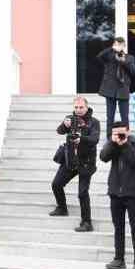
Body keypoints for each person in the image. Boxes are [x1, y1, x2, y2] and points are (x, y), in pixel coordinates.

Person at [99, 119, 135, 269]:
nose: (118, 135)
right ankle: (119, 259)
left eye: (121, 132)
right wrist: (113, 144)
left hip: (132, 193)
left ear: (128, 131)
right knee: (118, 227)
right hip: (115, 192)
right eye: (115, 133)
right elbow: (103, 157)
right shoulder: (112, 143)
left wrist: (125, 144)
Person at [50, 96, 99, 230]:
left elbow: (94, 139)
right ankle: (62, 208)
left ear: (87, 107)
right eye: (76, 107)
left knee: (82, 193)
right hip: (71, 160)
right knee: (56, 184)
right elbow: (59, 131)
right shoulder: (70, 119)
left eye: (81, 107)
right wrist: (64, 125)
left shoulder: (94, 122)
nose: (78, 110)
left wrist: (81, 139)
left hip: (86, 162)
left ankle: (87, 222)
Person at [94, 37, 135, 131]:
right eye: (117, 44)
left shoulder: (129, 58)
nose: (119, 46)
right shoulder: (109, 56)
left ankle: (126, 137)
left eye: (121, 45)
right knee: (110, 116)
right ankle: (109, 137)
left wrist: (123, 61)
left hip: (123, 89)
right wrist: (112, 48)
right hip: (110, 89)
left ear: (124, 46)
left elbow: (133, 72)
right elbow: (99, 56)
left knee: (125, 117)